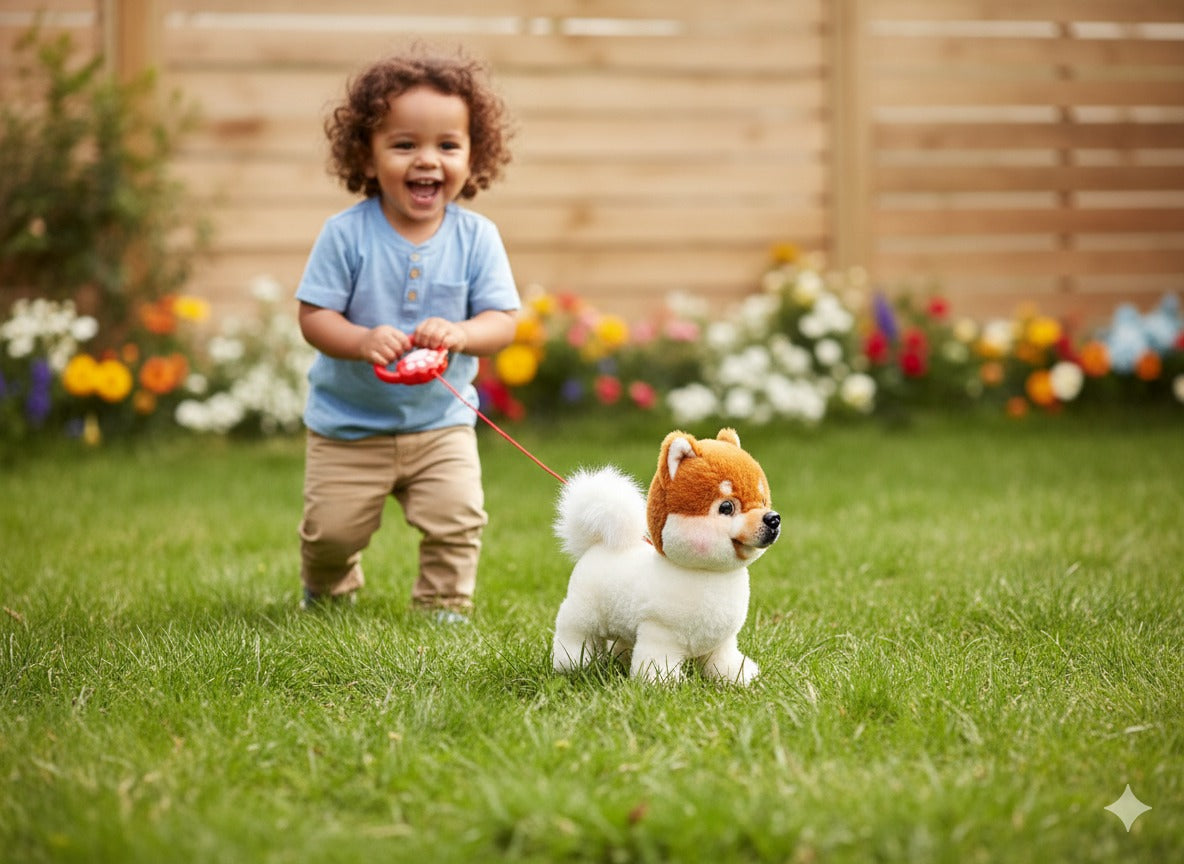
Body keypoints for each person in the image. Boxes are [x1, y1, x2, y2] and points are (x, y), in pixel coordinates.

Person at [295, 49, 519, 620]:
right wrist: (362, 340)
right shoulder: (345, 235)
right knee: (331, 532)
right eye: (404, 145)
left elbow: (502, 321)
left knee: (458, 515)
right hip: (349, 424)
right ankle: (330, 585)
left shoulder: (477, 238)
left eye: (448, 145)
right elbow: (314, 316)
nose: (428, 160)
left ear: (474, 155)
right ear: (366, 158)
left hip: (439, 425)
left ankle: (444, 605)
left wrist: (463, 333)